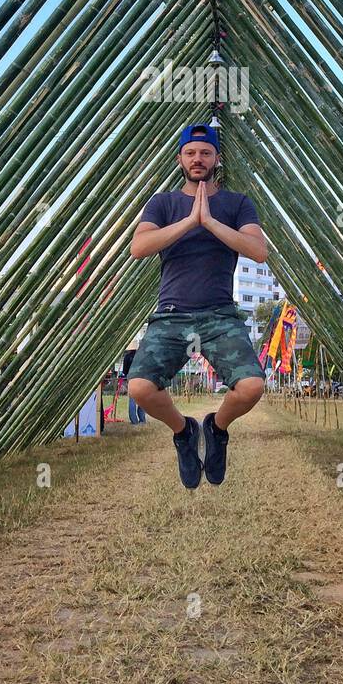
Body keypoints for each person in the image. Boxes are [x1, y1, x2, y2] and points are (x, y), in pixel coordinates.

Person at [127, 122, 268, 488]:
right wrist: (190, 221)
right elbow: (139, 247)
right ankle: (184, 432)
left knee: (251, 386)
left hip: (220, 314)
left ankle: (216, 430)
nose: (198, 159)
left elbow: (258, 250)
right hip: (172, 315)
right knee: (140, 388)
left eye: (205, 152)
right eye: (190, 153)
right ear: (180, 159)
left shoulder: (237, 203)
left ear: (217, 158)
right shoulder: (164, 202)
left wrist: (211, 222)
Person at [122, 338, 146, 423]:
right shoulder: (141, 356)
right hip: (142, 379)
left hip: (131, 379)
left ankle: (134, 420)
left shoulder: (127, 357)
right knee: (142, 400)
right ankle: (142, 419)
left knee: (132, 401)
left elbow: (124, 371)